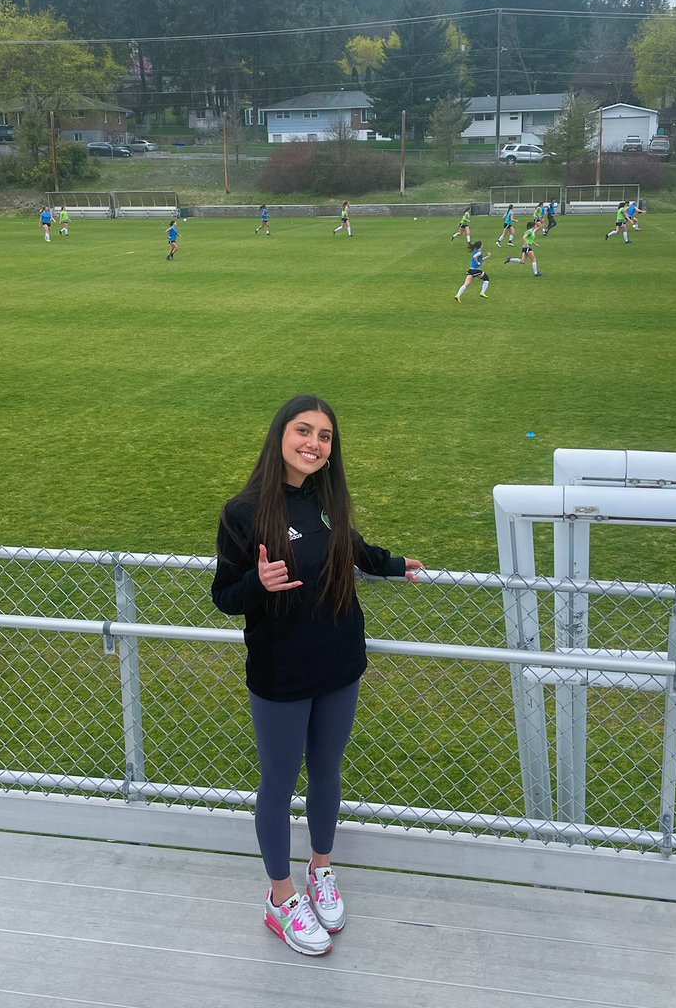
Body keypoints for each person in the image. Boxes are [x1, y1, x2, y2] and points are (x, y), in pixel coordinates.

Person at [212, 395, 424, 958]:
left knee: (327, 771)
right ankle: (280, 898)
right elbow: (224, 596)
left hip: (340, 663)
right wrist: (258, 583)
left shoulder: (329, 500)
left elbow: (352, 550)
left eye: (325, 436)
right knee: (279, 785)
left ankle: (321, 870)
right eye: (303, 431)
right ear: (280, 435)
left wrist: (393, 564)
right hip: (281, 671)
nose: (313, 443)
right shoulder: (242, 511)